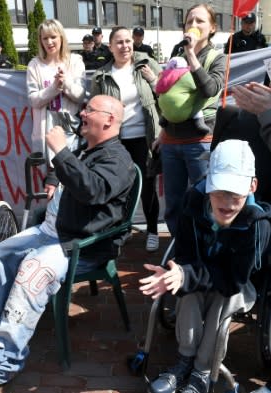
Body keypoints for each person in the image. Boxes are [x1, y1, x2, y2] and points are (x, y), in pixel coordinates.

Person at [0, 94, 135, 391]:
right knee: (2, 252)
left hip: (79, 244)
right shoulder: (87, 147)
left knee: (30, 274)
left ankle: (1, 363)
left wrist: (61, 151)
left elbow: (93, 191)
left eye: (89, 110)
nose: (82, 114)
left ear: (109, 119)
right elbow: (69, 167)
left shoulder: (117, 159)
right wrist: (55, 175)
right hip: (53, 230)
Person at [140, 139, 271, 393]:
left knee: (223, 299)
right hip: (202, 272)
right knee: (187, 291)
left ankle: (202, 370)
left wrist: (188, 275)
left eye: (236, 193)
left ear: (252, 185)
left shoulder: (259, 225)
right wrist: (177, 274)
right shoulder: (193, 202)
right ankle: (185, 360)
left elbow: (234, 280)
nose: (227, 201)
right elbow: (186, 256)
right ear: (208, 181)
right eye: (220, 190)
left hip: (239, 285)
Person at [154, 3, 225, 237]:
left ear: (212, 27)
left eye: (200, 21)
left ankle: (205, 255)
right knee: (173, 203)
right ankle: (180, 249)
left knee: (204, 200)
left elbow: (210, 89)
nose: (193, 25)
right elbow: (168, 96)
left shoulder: (216, 57)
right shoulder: (176, 53)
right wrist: (161, 133)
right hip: (172, 142)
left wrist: (192, 56)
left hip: (200, 141)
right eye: (189, 21)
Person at [90, 26, 161, 252]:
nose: (125, 46)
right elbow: (95, 108)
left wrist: (153, 79)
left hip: (144, 138)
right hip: (116, 141)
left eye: (128, 41)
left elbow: (165, 92)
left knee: (147, 186)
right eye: (119, 42)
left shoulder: (146, 65)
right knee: (120, 188)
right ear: (110, 46)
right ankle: (123, 229)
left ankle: (152, 230)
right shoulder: (101, 75)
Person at [26, 19, 86, 167]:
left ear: (61, 37)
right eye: (45, 38)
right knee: (50, 183)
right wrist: (54, 88)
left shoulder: (75, 61)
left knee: (73, 176)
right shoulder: (34, 65)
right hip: (45, 131)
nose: (49, 42)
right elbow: (33, 100)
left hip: (72, 130)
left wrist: (65, 83)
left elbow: (80, 96)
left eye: (53, 37)